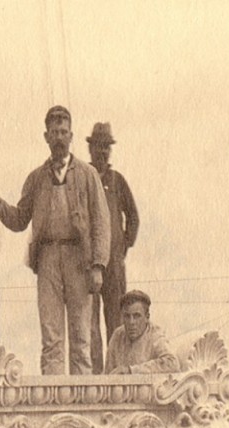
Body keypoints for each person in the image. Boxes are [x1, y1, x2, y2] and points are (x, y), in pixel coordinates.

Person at [0, 106, 113, 375]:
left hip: (79, 259)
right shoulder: (37, 178)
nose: (59, 137)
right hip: (47, 257)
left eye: (63, 132)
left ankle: (82, 404)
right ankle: (53, 402)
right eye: (54, 132)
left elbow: (101, 221)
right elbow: (19, 219)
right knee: (51, 338)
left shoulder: (87, 174)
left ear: (71, 135)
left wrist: (98, 265)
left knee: (81, 336)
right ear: (46, 137)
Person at [86, 122, 141, 373]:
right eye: (99, 146)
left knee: (117, 320)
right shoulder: (83, 177)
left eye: (107, 147)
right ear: (90, 148)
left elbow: (133, 217)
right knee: (89, 321)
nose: (103, 152)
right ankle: (95, 373)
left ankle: (116, 371)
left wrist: (123, 244)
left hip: (114, 263)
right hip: (88, 262)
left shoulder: (117, 180)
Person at [104, 290, 180, 374]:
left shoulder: (155, 335)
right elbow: (108, 372)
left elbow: (172, 363)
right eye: (127, 316)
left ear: (147, 317)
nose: (131, 322)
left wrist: (132, 370)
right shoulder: (118, 336)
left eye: (137, 316)